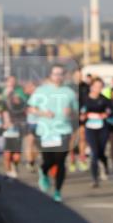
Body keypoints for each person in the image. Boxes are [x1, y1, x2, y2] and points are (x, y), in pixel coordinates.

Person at [28, 64, 78, 202]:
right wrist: (43, 113)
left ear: (64, 76)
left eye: (60, 74)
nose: (58, 76)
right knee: (49, 160)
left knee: (60, 161)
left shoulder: (69, 92)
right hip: (46, 131)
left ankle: (57, 191)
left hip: (64, 130)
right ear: (50, 75)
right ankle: (43, 171)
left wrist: (71, 112)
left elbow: (76, 111)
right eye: (55, 74)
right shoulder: (41, 90)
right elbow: (31, 109)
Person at [80, 77, 113, 188]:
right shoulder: (84, 99)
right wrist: (82, 117)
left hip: (102, 128)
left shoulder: (104, 100)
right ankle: (95, 179)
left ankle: (104, 163)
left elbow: (112, 111)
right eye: (96, 86)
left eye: (100, 87)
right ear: (91, 87)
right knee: (94, 153)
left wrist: (106, 114)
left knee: (101, 152)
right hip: (90, 128)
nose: (98, 89)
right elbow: (79, 112)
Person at [2, 75, 28, 179]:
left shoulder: (20, 91)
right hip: (6, 128)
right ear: (7, 82)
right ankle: (7, 172)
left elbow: (25, 104)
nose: (12, 82)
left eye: (14, 80)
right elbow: (1, 107)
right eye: (10, 80)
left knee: (17, 153)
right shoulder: (3, 92)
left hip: (18, 126)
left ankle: (14, 165)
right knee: (7, 153)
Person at [22, 80, 40, 172]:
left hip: (33, 123)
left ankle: (30, 162)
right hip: (35, 123)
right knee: (34, 145)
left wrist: (30, 110)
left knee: (29, 144)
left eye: (27, 87)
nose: (25, 89)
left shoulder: (35, 96)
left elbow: (34, 110)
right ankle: (32, 162)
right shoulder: (35, 96)